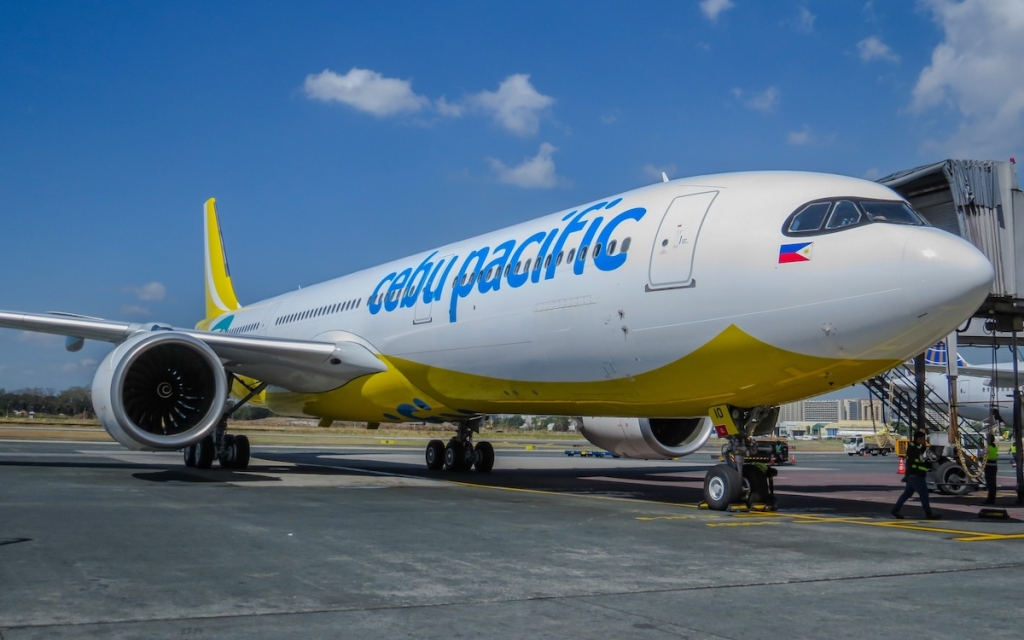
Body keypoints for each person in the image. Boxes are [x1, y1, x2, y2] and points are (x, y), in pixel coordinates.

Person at [891, 431, 941, 520]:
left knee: (907, 494)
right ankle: (928, 514)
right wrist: (926, 464)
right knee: (924, 494)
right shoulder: (914, 448)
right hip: (916, 475)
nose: (924, 440)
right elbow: (917, 461)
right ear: (918, 438)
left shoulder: (915, 447)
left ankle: (895, 510)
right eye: (923, 438)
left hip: (912, 475)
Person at [983, 433, 999, 505]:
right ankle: (992, 499)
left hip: (989, 467)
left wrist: (980, 448)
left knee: (990, 484)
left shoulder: (988, 448)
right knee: (993, 484)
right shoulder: (995, 447)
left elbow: (982, 456)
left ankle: (990, 500)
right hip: (994, 466)